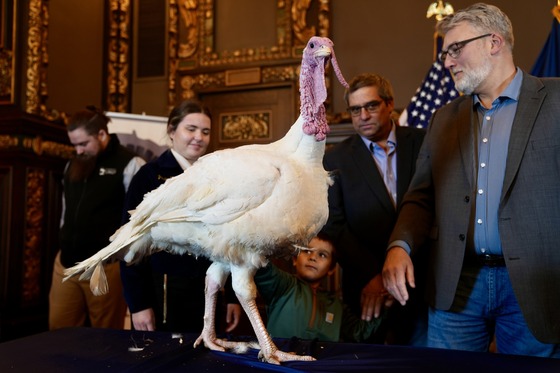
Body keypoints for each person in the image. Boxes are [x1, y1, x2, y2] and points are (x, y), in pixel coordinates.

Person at [382, 3, 560, 358]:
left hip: (536, 286)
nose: (447, 61)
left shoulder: (555, 100)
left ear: (494, 42)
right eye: (447, 52)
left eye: (455, 49)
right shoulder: (443, 119)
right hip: (457, 284)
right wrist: (399, 246)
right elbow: (420, 197)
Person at [321, 73, 426, 345]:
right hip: (366, 286)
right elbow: (334, 224)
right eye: (355, 109)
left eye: (371, 106)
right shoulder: (335, 159)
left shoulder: (424, 142)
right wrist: (374, 276)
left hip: (423, 281)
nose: (363, 115)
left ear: (390, 104)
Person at [120, 100, 242, 333]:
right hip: (164, 291)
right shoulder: (149, 176)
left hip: (211, 290)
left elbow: (232, 239)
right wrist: (138, 304)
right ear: (171, 131)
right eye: (191, 129)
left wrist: (234, 297)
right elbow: (129, 244)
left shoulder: (218, 177)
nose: (199, 137)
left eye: (205, 131)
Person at [49, 106, 145, 330]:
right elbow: (66, 209)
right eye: (74, 145)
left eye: (83, 144)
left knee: (105, 337)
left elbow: (138, 221)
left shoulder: (131, 164)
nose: (78, 150)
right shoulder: (71, 164)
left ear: (102, 135)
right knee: (58, 332)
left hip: (105, 267)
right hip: (65, 265)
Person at [254, 233, 384, 342]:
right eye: (306, 251)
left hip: (321, 365)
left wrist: (387, 304)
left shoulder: (337, 305)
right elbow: (262, 269)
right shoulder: (283, 285)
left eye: (322, 255)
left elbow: (359, 332)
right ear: (294, 259)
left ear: (331, 269)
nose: (312, 257)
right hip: (280, 363)